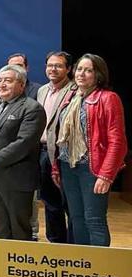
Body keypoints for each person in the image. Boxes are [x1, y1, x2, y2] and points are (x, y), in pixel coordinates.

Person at [0, 65, 46, 277]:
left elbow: (23, 143)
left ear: (22, 84)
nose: (2, 84)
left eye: (8, 80)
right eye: (0, 80)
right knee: (2, 228)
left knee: (19, 229)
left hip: (16, 179)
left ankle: (22, 274)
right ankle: (4, 270)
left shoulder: (32, 108)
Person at [53, 54, 127, 247]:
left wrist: (106, 175)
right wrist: (56, 167)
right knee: (76, 219)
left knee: (93, 219)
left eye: (88, 70)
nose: (82, 74)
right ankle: (83, 268)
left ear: (98, 74)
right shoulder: (71, 97)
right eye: (79, 69)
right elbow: (59, 134)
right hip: (68, 166)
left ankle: (99, 270)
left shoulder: (108, 98)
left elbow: (117, 141)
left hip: (92, 169)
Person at [37, 51, 74, 243]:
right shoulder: (42, 90)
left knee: (69, 202)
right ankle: (56, 242)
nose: (53, 69)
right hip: (43, 152)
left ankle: (74, 244)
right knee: (50, 201)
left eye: (58, 65)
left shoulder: (74, 91)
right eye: (50, 65)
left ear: (68, 69)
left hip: (64, 154)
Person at [7, 52, 42, 240]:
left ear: (26, 68)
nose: (15, 69)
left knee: (30, 199)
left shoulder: (38, 90)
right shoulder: (1, 95)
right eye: (11, 66)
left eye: (19, 65)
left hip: (28, 153)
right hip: (5, 158)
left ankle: (33, 235)